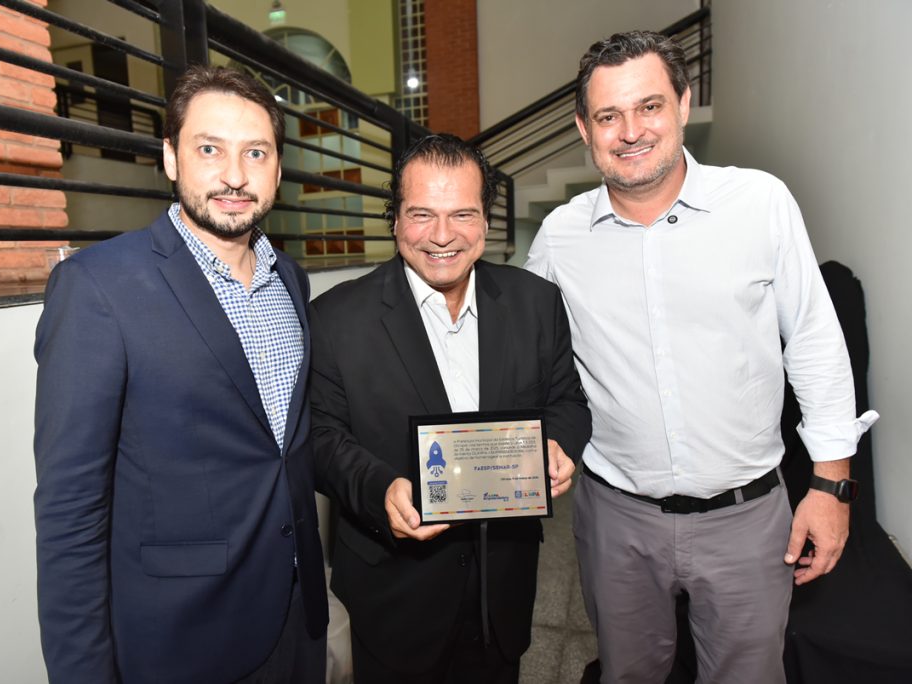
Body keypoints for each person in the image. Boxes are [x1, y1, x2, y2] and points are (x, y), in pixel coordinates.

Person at [525, 30, 878, 684]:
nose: (631, 131)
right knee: (628, 673)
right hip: (616, 520)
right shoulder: (560, 237)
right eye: (608, 115)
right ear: (584, 128)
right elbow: (532, 358)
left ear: (683, 104)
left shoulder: (760, 204)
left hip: (747, 519)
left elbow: (814, 341)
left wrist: (832, 486)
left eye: (649, 106)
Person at [34, 65, 328, 683]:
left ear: (278, 168)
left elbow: (282, 451)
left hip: (296, 618)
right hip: (182, 640)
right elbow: (70, 510)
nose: (235, 176)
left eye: (256, 152)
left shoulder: (291, 280)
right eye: (209, 149)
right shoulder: (97, 288)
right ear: (170, 157)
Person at [310, 133, 592, 683]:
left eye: (462, 214)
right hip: (393, 599)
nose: (442, 236)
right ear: (396, 220)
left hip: (501, 592)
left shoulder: (537, 303)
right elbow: (321, 438)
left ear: (486, 220)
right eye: (422, 214)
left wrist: (557, 444)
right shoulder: (337, 318)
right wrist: (379, 490)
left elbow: (567, 401)